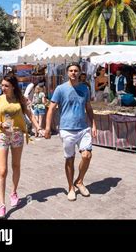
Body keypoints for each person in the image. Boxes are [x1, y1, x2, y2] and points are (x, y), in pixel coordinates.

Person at [0, 74, 43, 219]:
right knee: (2, 170)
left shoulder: (21, 100)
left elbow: (30, 115)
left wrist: (38, 127)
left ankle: (13, 192)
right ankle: (1, 205)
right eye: (2, 85)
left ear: (13, 86)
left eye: (6, 86)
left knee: (16, 166)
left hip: (18, 135)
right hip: (2, 135)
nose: (3, 88)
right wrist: (1, 124)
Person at [44, 62, 97, 201]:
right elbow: (51, 108)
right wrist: (48, 127)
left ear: (79, 73)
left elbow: (89, 108)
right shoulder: (60, 89)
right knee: (70, 159)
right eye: (71, 70)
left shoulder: (85, 89)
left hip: (83, 128)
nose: (73, 73)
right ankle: (70, 187)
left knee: (87, 156)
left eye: (76, 70)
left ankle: (79, 181)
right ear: (67, 73)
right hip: (67, 129)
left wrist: (94, 124)